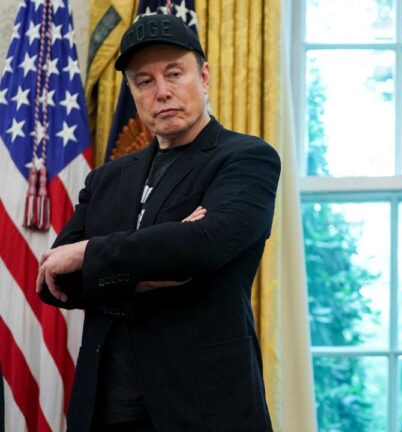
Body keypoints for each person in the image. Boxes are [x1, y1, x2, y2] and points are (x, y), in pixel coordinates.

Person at [36, 14, 279, 431]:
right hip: (105, 409)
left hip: (202, 408)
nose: (161, 91)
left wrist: (90, 253)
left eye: (174, 74)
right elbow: (56, 280)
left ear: (204, 76)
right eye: (144, 81)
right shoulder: (107, 178)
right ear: (133, 92)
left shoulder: (246, 158)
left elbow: (203, 245)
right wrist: (154, 265)